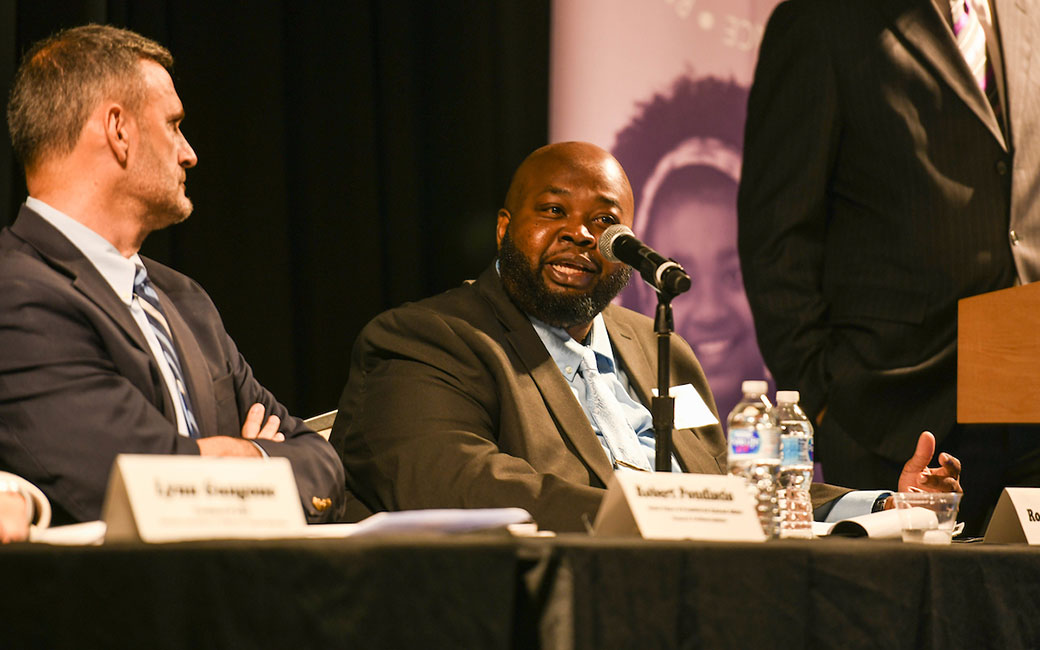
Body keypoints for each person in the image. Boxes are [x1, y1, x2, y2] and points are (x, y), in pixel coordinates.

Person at [331, 141, 961, 532]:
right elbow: (452, 480)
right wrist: (643, 516)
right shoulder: (430, 338)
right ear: (503, 229)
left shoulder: (661, 348)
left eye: (604, 222)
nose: (580, 233)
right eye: (553, 211)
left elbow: (730, 491)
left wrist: (880, 506)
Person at [0, 25, 344, 525]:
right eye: (174, 124)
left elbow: (319, 458)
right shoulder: (17, 294)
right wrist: (250, 458)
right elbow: (140, 481)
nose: (189, 153)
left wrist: (246, 458)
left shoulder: (184, 299)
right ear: (119, 130)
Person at [737, 0, 1040, 534]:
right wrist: (825, 404)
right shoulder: (821, 20)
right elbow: (777, 234)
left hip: (1027, 378)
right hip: (892, 404)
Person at [613, 76, 767, 420]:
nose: (712, 312)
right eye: (679, 278)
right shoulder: (614, 432)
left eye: (734, 275)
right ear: (638, 293)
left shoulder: (811, 437)